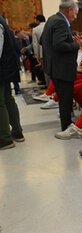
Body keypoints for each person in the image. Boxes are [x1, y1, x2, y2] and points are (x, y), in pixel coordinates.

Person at [41, 0, 80, 131]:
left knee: (63, 98)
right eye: (75, 13)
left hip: (54, 67)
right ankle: (66, 126)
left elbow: (43, 40)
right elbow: (59, 44)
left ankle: (66, 122)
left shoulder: (52, 19)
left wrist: (69, 41)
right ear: (69, 10)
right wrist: (75, 45)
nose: (75, 16)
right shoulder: (61, 22)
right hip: (62, 68)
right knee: (65, 99)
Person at [0, 14, 24, 150]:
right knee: (8, 99)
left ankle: (4, 139)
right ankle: (16, 131)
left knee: (1, 102)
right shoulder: (3, 20)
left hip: (2, 68)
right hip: (6, 67)